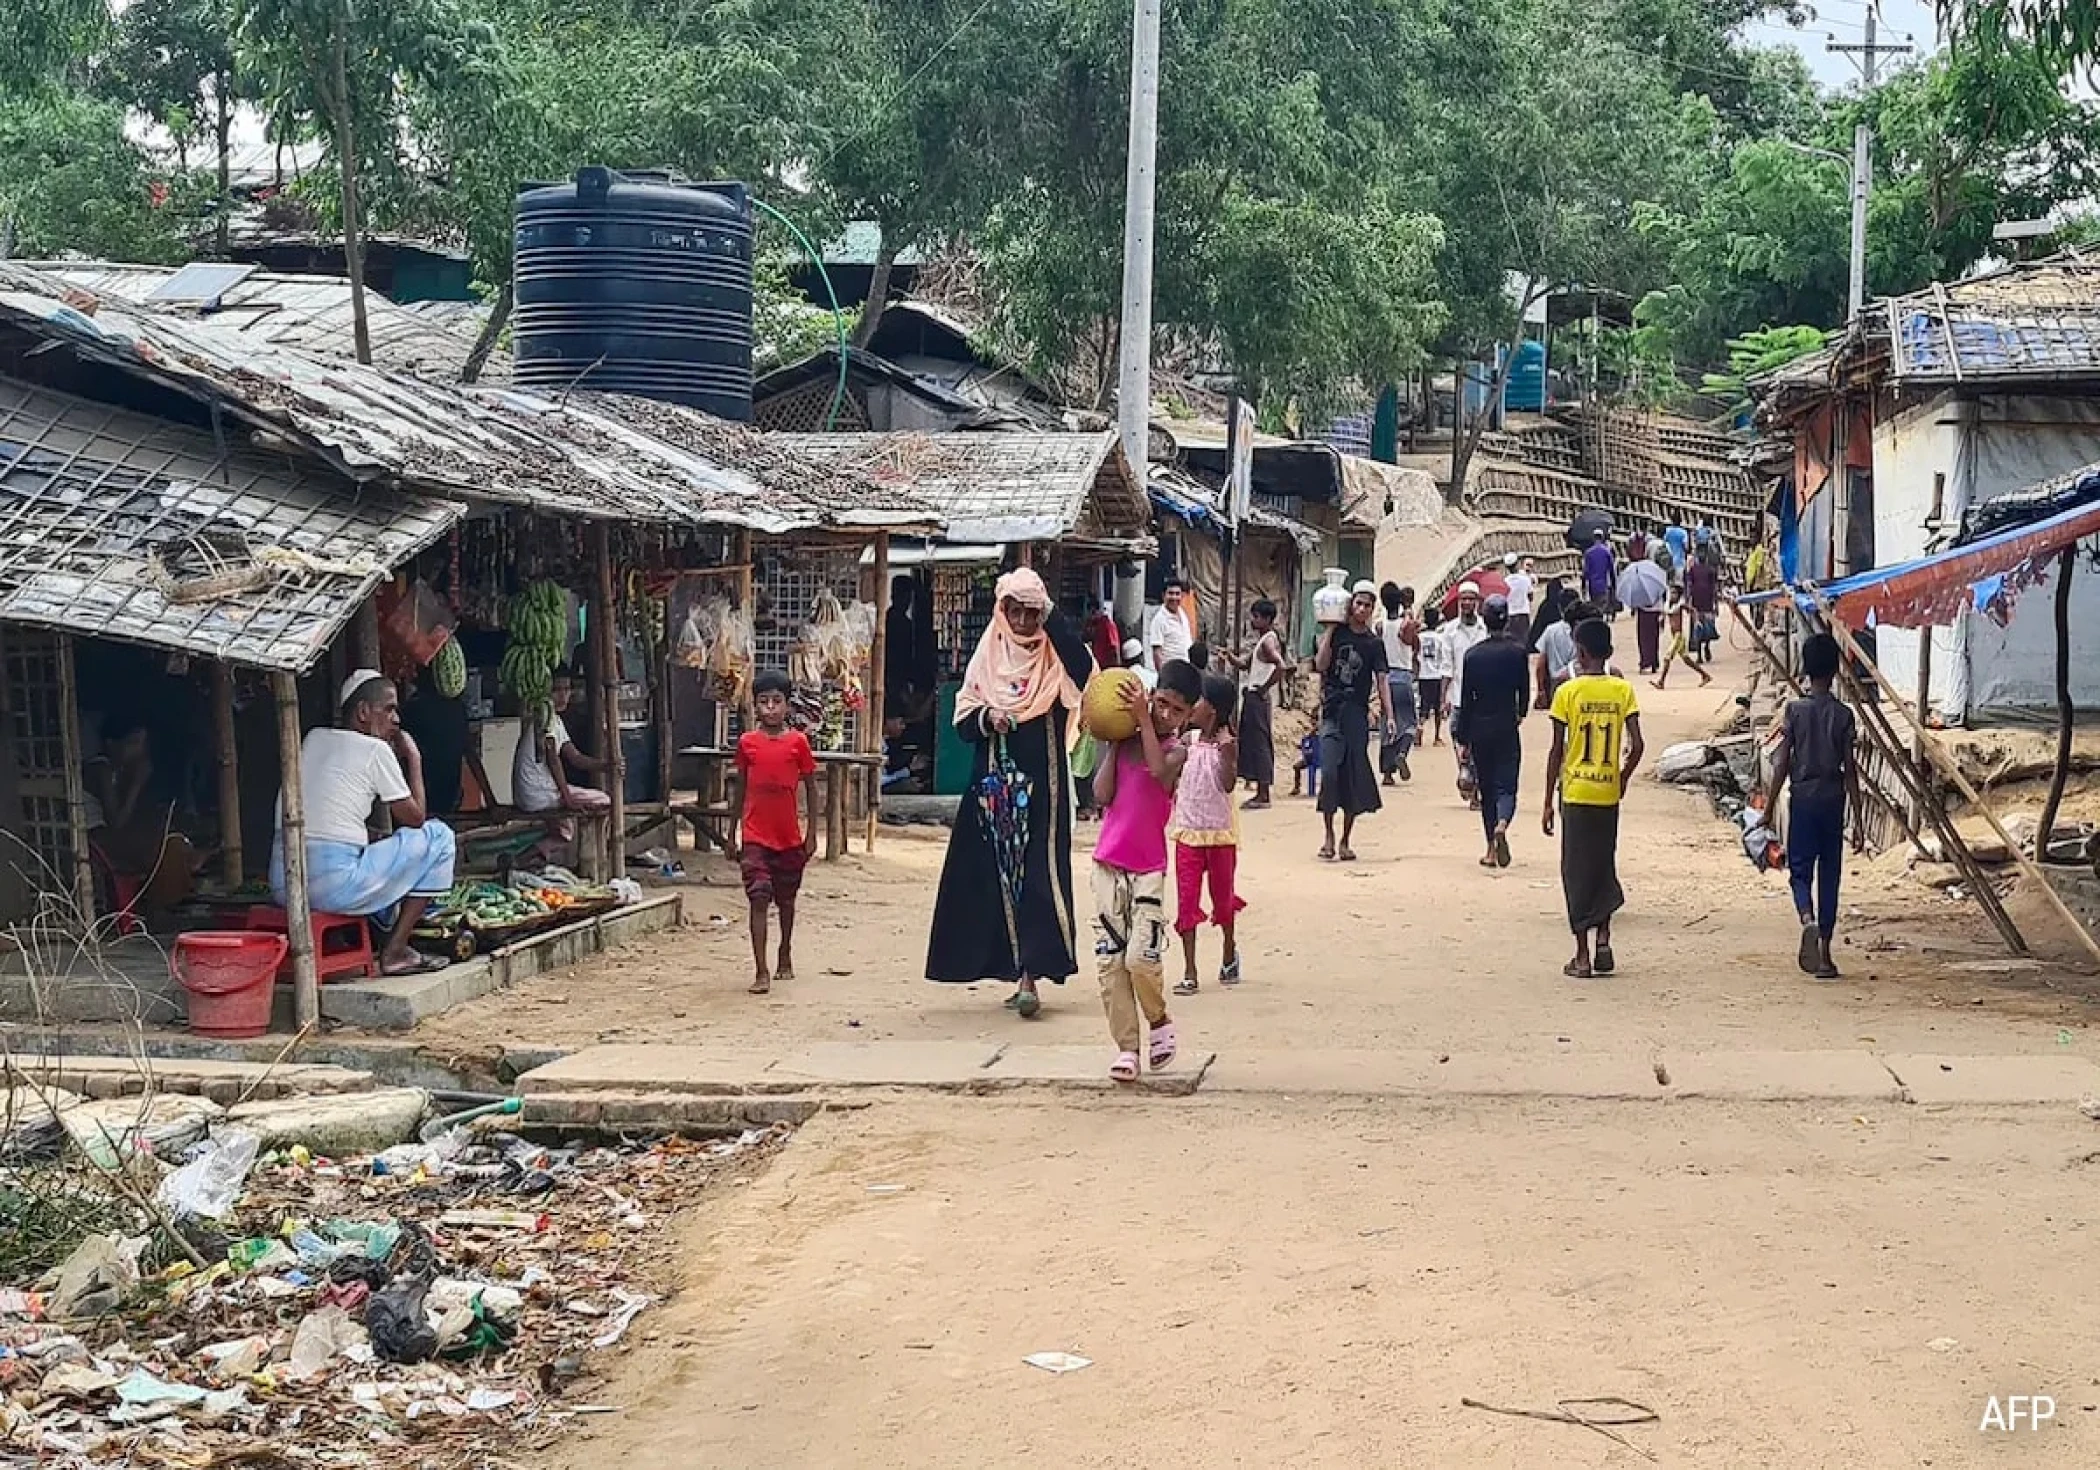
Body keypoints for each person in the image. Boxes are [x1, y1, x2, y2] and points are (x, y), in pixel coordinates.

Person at [926, 568, 1093, 1017]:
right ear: (1002, 612)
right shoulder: (989, 656)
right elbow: (963, 720)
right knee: (994, 876)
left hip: (1045, 788)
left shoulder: (1055, 657)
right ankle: (1011, 964)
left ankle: (1031, 976)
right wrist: (988, 718)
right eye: (1014, 611)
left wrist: (1054, 621)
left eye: (1031, 613)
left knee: (1038, 874)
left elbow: (1086, 673)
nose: (1022, 622)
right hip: (993, 787)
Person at [272, 671, 456, 977]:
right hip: (333, 887)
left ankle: (369, 933)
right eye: (389, 709)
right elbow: (415, 818)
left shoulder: (313, 738)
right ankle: (395, 950)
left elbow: (327, 822)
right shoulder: (376, 750)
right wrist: (414, 758)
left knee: (378, 840)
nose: (396, 719)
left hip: (284, 882)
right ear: (362, 713)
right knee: (440, 837)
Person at [1090, 661, 1196, 1080]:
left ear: (1188, 717)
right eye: (1161, 704)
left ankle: (1159, 1018)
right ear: (1151, 696)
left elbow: (1157, 771)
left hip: (1148, 868)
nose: (1166, 714)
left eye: (1176, 711)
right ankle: (1127, 1047)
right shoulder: (1128, 744)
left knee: (1140, 956)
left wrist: (1141, 725)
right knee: (1110, 962)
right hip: (1108, 864)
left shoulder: (1175, 751)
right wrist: (1117, 742)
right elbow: (1101, 793)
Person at [1542, 619, 1645, 978]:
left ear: (1580, 651)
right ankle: (1604, 938)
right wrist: (1622, 778)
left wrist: (1546, 802)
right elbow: (1638, 745)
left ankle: (1582, 956)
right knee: (1603, 864)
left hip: (1575, 792)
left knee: (1575, 870)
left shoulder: (1567, 692)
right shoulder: (1622, 690)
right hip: (1606, 792)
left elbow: (1557, 751)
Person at [1766, 633, 1858, 980]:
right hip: (1833, 800)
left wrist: (1768, 808)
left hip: (1803, 798)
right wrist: (1859, 819)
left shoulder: (1795, 711)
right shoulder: (1843, 715)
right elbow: (1851, 770)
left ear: (1806, 668)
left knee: (1800, 870)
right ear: (1835, 670)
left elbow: (1781, 764)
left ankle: (1807, 918)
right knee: (1830, 874)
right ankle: (1825, 952)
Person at [730, 670, 818, 995]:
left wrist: (812, 833)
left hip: (789, 837)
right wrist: (732, 833)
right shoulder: (747, 744)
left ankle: (785, 951)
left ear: (786, 705)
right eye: (763, 702)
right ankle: (761, 969)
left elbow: (810, 787)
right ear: (755, 706)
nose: (770, 708)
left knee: (786, 901)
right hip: (755, 835)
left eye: (776, 702)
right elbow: (739, 791)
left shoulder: (799, 743)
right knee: (758, 897)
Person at [84, 713, 203, 917]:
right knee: (168, 847)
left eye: (142, 743)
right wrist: (137, 784)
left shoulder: (118, 770)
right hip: (98, 843)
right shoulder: (100, 769)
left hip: (112, 838)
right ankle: (165, 904)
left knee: (170, 837)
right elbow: (117, 822)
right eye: (133, 743)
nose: (140, 750)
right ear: (111, 744)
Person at [1171, 672, 1244, 994]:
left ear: (1211, 709)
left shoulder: (1226, 745)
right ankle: (1190, 970)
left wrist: (1228, 756)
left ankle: (1229, 950)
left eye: (1199, 700)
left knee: (1223, 900)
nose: (1194, 705)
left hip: (1219, 836)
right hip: (1187, 833)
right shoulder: (1188, 739)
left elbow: (1227, 784)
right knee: (1187, 902)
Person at [1316, 581, 1392, 861]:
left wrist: (1389, 714)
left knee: (1352, 775)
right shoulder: (1337, 635)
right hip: (1332, 713)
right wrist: (1331, 630)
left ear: (1372, 609)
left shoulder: (1374, 644)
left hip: (1357, 716)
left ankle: (1346, 839)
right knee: (1330, 772)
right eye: (1357, 603)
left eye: (1367, 605)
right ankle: (1328, 835)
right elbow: (1321, 665)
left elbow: (1382, 679)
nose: (1361, 609)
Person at [1453, 596, 1530, 868]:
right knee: (1507, 786)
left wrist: (1463, 738)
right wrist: (1518, 715)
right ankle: (1502, 823)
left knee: (1486, 787)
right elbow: (1524, 695)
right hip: (1507, 727)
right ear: (1506, 619)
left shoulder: (1473, 656)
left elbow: (1466, 700)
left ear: (1484, 619)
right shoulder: (1518, 652)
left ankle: (1489, 849)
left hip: (1480, 730)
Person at [399, 667, 492, 815]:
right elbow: (470, 753)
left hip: (427, 796)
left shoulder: (413, 708)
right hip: (445, 796)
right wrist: (490, 800)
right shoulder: (455, 707)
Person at [1233, 598, 1285, 807]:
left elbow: (1281, 666)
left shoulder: (1268, 642)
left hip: (1257, 697)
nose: (1252, 620)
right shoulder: (1263, 641)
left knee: (1260, 743)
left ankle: (1263, 793)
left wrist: (1264, 688)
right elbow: (1245, 665)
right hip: (1255, 696)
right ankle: (1260, 790)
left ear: (1266, 619)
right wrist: (1230, 657)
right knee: (1255, 741)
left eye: (1256, 617)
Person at [1443, 582, 1491, 804]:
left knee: (1480, 743)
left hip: (1482, 698)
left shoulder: (1486, 630)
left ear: (1478, 602)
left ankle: (1475, 785)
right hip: (1458, 696)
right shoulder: (1449, 631)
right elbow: (1446, 667)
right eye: (1463, 599)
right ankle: (1466, 773)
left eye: (1471, 599)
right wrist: (1443, 698)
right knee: (1458, 739)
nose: (1467, 603)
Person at [1377, 582, 1419, 784]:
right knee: (1409, 722)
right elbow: (1414, 644)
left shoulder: (1379, 625)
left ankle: (1387, 773)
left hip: (1384, 677)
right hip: (1403, 676)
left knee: (1387, 723)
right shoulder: (1406, 624)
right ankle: (1402, 753)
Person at [1652, 582, 1712, 689]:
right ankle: (1705, 675)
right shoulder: (1667, 605)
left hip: (1678, 636)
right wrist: (1661, 621)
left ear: (1679, 595)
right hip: (1674, 635)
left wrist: (1697, 621)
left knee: (1667, 658)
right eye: (1671, 592)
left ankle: (1661, 681)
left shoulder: (1680, 604)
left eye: (1674, 593)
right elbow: (1664, 616)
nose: (1672, 595)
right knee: (1687, 660)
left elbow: (1693, 610)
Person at [1534, 596, 1585, 710]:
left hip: (1556, 687)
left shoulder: (1550, 630)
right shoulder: (1584, 630)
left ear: (1559, 608)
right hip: (1579, 685)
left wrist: (1541, 690)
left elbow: (1541, 664)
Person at [1415, 605, 1451, 747]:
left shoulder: (1419, 637)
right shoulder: (1440, 639)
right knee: (1437, 707)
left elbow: (1415, 656)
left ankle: (1420, 727)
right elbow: (1444, 658)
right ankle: (1436, 736)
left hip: (1424, 675)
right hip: (1437, 675)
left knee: (1424, 705)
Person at [1148, 579, 1194, 671]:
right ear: (1163, 596)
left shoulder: (1182, 613)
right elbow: (1157, 653)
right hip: (1171, 673)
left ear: (1182, 596)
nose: (1174, 597)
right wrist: (1163, 677)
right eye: (1171, 593)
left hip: (1186, 669)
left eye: (1177, 594)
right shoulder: (1159, 620)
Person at [1685, 552, 1721, 664]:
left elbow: (1689, 586)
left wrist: (1688, 601)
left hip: (1697, 602)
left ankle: (1700, 654)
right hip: (1707, 602)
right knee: (1707, 627)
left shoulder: (1693, 570)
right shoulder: (1711, 570)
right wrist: (1716, 604)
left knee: (1698, 628)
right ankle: (1706, 647)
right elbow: (1714, 588)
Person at [1083, 599, 1122, 679]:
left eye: (1092, 612)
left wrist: (1117, 667)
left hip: (1108, 666)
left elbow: (1114, 647)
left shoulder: (1107, 625)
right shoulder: (1094, 625)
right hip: (1099, 665)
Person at [1503, 554, 1536, 647]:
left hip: (1510, 614)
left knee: (1511, 642)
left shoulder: (1505, 582)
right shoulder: (1525, 579)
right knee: (1524, 641)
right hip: (1523, 614)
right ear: (1517, 564)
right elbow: (1531, 597)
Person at [1583, 529, 1615, 607]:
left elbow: (1586, 572)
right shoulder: (1607, 552)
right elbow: (1611, 570)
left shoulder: (1588, 553)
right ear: (1602, 538)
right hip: (1604, 585)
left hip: (1593, 586)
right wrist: (1614, 585)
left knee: (1594, 607)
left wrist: (1583, 586)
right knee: (1602, 607)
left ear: (1593, 538)